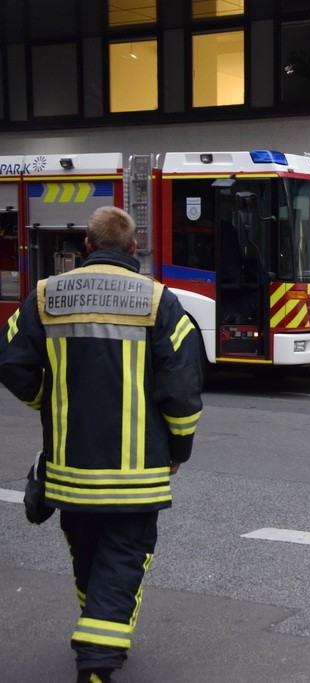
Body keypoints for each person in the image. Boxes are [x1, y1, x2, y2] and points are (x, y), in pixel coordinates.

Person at [0, 206, 204, 682]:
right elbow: (181, 388)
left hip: (69, 469)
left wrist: (48, 403)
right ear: (134, 250)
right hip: (134, 475)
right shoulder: (158, 300)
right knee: (123, 558)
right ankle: (97, 660)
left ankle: (98, 631)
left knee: (87, 553)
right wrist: (179, 448)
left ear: (86, 246)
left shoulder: (45, 295)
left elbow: (12, 363)